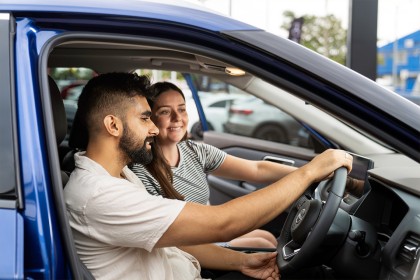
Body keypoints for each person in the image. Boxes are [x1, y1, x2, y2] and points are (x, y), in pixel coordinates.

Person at [64, 72, 353, 280]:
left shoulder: (119, 174)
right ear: (113, 126)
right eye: (145, 118)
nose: (153, 128)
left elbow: (174, 241)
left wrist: (241, 262)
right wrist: (309, 172)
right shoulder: (100, 195)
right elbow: (223, 223)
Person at [131, 81, 300, 249]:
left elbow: (257, 169)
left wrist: (306, 173)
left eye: (182, 109)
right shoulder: (142, 172)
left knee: (266, 237)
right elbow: (170, 240)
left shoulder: (195, 150)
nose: (177, 118)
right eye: (165, 111)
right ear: (150, 119)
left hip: (210, 235)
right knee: (262, 243)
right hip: (189, 248)